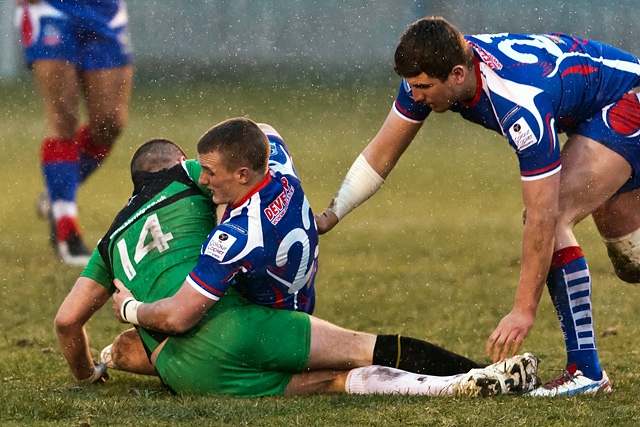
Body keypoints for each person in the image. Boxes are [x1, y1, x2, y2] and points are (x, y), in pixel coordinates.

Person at [55, 123, 538, 397]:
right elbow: (261, 131)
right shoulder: (260, 170)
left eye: (212, 172)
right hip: (253, 318)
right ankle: (468, 378)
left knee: (331, 384)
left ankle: (106, 360)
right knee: (360, 347)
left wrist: (111, 335)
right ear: (180, 162)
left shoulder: (117, 239)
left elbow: (66, 321)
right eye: (200, 168)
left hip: (188, 372)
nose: (206, 181)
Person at [313, 16, 640, 396]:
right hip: (599, 108)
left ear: (455, 74)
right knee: (633, 263)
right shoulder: (441, 64)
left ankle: (586, 373)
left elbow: (541, 216)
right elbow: (383, 152)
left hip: (627, 102)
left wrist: (522, 310)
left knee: (555, 217)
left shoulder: (519, 104)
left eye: (422, 88)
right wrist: (331, 214)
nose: (415, 96)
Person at [16, 0, 134, 265]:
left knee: (109, 123)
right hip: (51, 9)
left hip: (105, 11)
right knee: (63, 118)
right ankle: (66, 230)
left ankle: (59, 194)